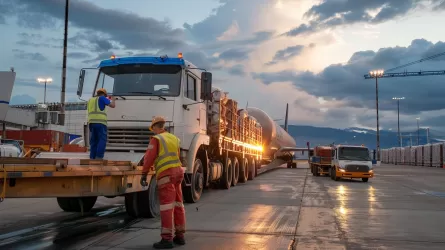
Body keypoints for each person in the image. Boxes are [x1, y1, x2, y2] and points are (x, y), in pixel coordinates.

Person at [140, 116, 186, 249]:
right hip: (178, 173)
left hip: (166, 174)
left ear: (155, 127)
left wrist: (144, 173)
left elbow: (149, 157)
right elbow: (177, 155)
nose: (152, 131)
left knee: (166, 206)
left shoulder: (156, 139)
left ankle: (167, 239)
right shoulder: (174, 138)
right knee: (178, 204)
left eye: (152, 128)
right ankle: (180, 236)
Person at [87, 88, 115, 160]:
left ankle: (92, 157)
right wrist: (113, 99)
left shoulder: (91, 100)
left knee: (94, 140)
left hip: (91, 123)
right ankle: (99, 157)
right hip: (100, 122)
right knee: (102, 140)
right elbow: (112, 105)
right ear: (104, 94)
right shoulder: (102, 98)